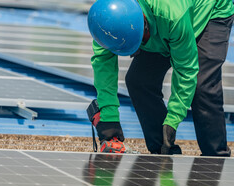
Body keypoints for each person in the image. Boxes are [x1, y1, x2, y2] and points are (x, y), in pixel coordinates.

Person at [87, 0, 234, 156]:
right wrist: (109, 118)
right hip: (162, 22)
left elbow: (186, 70)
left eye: (144, 38)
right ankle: (164, 149)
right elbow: (104, 67)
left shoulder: (173, 15)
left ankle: (215, 159)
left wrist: (173, 120)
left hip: (209, 11)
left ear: (143, 21)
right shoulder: (104, 22)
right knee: (139, 81)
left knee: (201, 86)